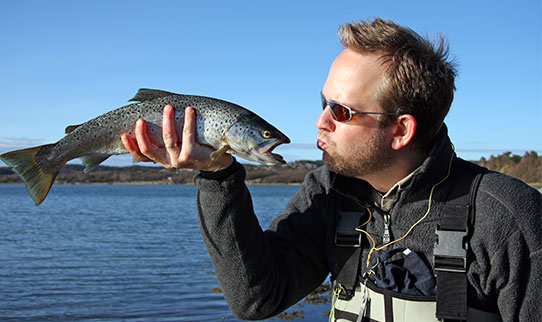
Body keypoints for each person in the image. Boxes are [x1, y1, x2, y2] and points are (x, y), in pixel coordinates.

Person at [121, 18, 541, 322]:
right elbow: (256, 299)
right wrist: (217, 175)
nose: (320, 122)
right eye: (322, 102)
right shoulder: (328, 192)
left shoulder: (508, 219)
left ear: (400, 130)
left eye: (341, 111)